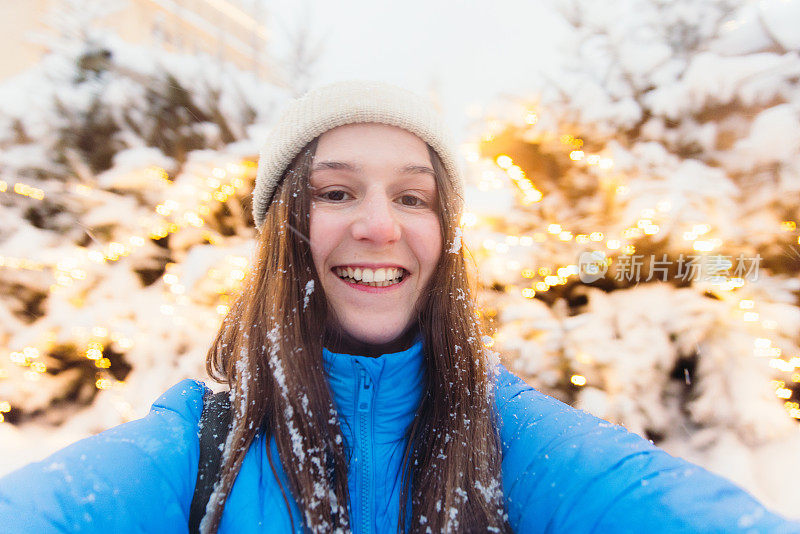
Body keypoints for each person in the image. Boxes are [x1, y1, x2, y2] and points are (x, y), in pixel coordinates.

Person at [0, 80, 798, 534]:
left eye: (413, 197)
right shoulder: (198, 448)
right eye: (337, 191)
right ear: (285, 231)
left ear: (444, 233)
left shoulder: (511, 435)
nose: (378, 226)